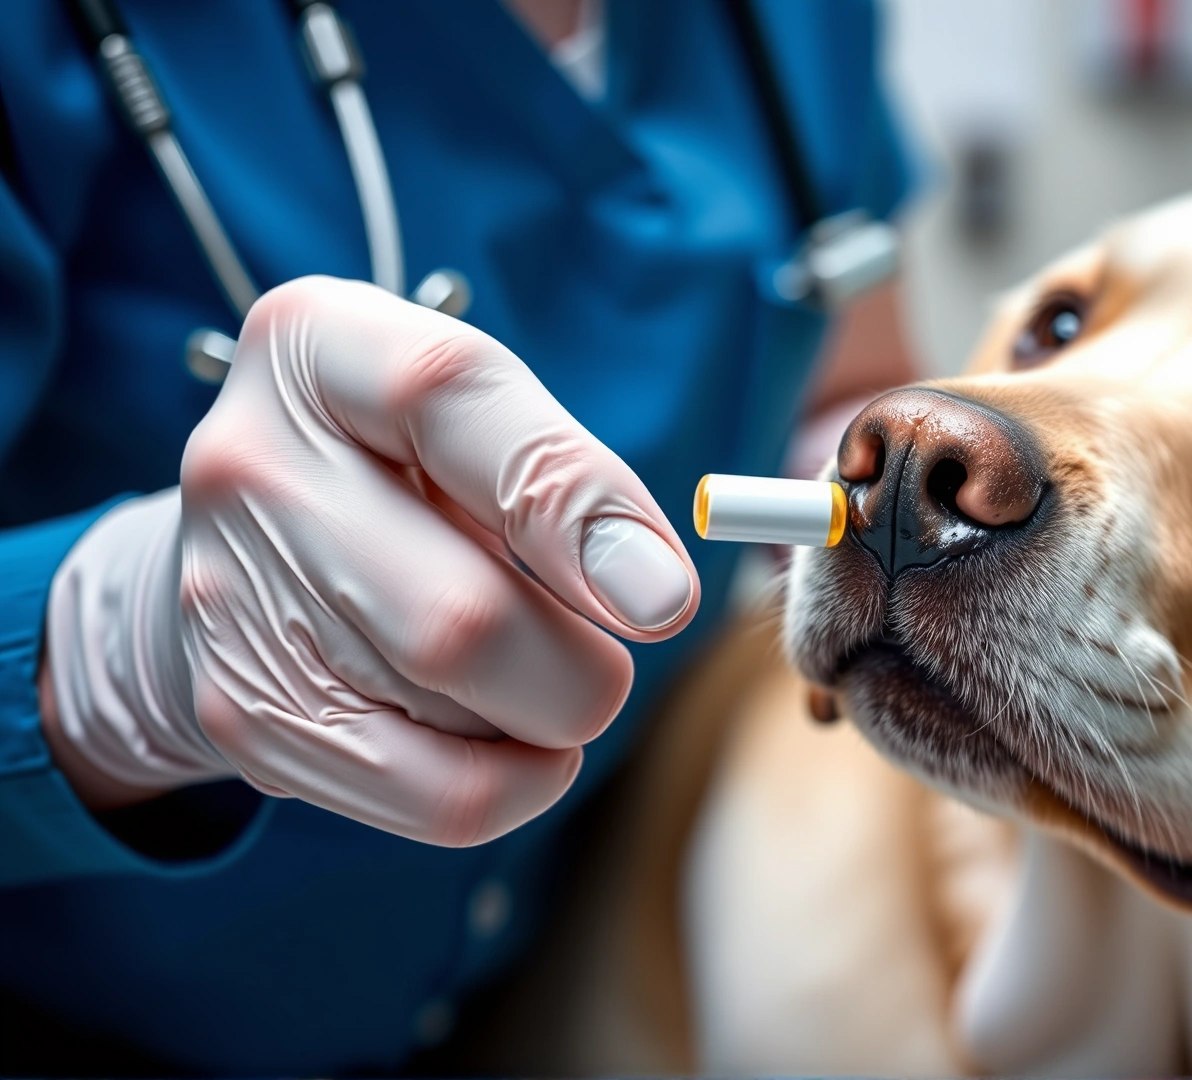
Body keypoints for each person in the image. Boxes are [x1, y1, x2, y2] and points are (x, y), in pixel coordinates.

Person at [0, 0, 916, 1073]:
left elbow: (846, 375)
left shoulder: (795, 23)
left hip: (545, 1000)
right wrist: (117, 652)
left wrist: (882, 527)